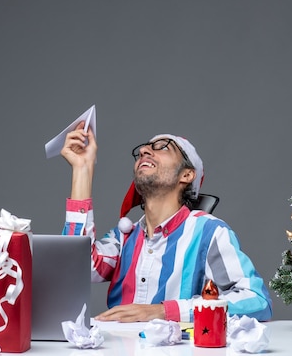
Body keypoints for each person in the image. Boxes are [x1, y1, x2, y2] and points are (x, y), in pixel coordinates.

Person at [60, 122, 273, 323]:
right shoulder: (124, 237)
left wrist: (163, 311)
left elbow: (256, 301)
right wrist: (82, 169)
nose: (145, 150)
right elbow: (74, 268)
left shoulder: (210, 232)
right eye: (143, 150)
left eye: (162, 147)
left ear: (187, 175)